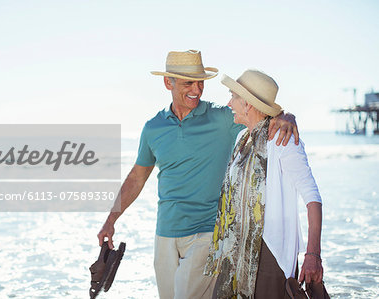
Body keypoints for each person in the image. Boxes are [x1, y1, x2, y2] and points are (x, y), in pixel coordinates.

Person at [98, 50, 299, 299]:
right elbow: (137, 178)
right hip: (165, 234)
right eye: (188, 83)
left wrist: (286, 116)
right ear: (167, 83)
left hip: (207, 234)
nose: (197, 89)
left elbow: (259, 113)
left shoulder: (222, 119)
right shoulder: (153, 128)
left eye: (200, 82)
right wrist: (110, 220)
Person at [204, 70, 323, 298]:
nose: (229, 102)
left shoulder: (283, 140)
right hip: (235, 250)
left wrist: (313, 255)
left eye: (233, 96)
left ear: (247, 104)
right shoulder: (242, 139)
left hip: (270, 252)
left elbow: (312, 197)